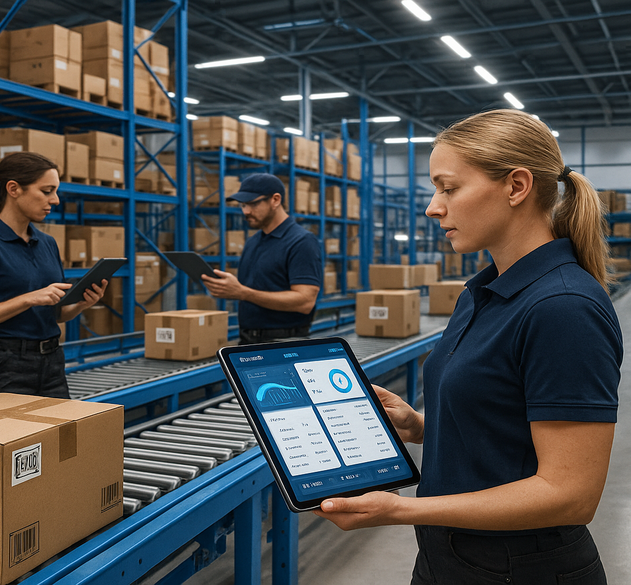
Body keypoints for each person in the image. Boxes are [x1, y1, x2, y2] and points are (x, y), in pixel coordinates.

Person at [315, 110, 621, 584]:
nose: (432, 208)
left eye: (448, 188)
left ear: (516, 186)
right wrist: (420, 426)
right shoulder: (481, 293)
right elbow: (503, 424)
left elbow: (569, 494)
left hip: (521, 568)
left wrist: (399, 510)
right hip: (447, 557)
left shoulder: (563, 308)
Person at [0, 152, 107, 399]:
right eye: (47, 191)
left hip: (52, 364)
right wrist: (28, 298)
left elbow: (55, 314)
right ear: (14, 189)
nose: (55, 200)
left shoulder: (47, 243)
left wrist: (81, 304)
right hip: (3, 367)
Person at [201, 173, 322, 344]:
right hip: (248, 339)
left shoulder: (301, 241)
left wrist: (243, 293)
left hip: (284, 343)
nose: (246, 211)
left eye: (253, 204)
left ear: (275, 200)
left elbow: (305, 302)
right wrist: (227, 288)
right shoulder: (253, 242)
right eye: (243, 205)